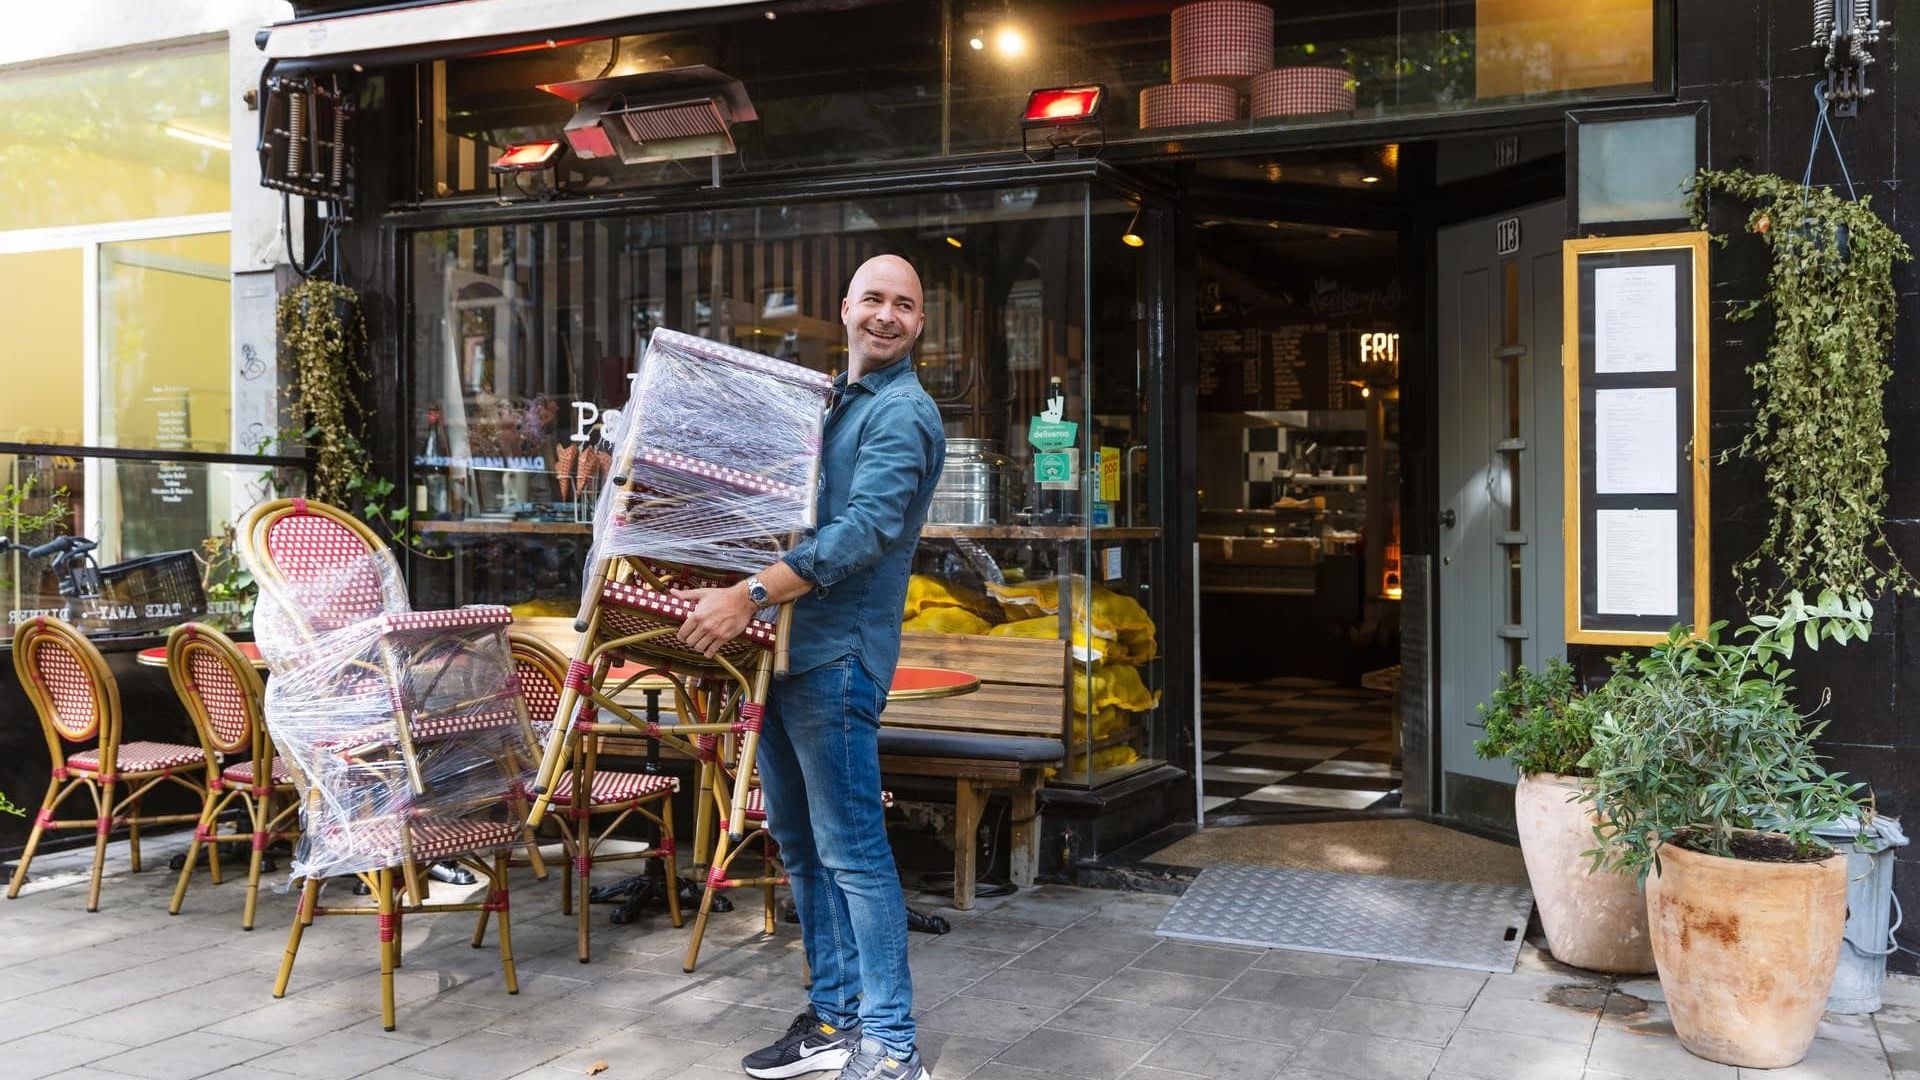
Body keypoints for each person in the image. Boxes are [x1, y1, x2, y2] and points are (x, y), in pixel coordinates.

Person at [675, 254, 945, 1080]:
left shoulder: (901, 412)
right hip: (793, 654)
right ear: (846, 308)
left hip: (837, 659)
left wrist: (747, 594)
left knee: (854, 854)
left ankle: (893, 1048)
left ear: (920, 324)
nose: (887, 315)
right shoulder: (834, 402)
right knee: (801, 845)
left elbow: (864, 531)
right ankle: (834, 1021)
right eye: (874, 299)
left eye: (904, 304)